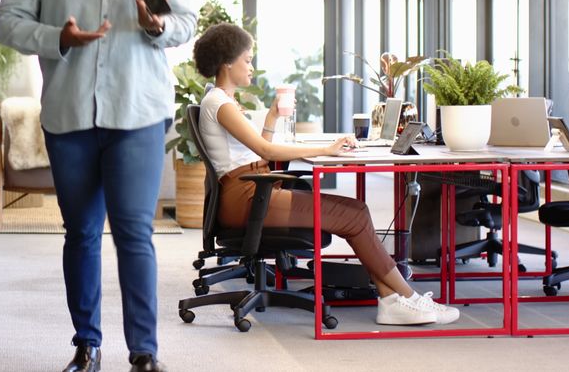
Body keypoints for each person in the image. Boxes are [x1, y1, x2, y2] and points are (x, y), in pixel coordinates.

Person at [0, 0, 196, 372]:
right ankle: (87, 345)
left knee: (134, 234)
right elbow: (6, 24)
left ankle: (144, 352)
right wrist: (56, 37)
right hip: (70, 118)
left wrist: (158, 28)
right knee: (81, 233)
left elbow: (187, 22)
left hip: (138, 116)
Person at [192, 23, 461, 326]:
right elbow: (266, 152)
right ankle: (405, 297)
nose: (252, 67)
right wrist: (329, 148)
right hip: (246, 198)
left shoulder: (222, 101)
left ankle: (392, 300)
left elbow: (258, 150)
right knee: (354, 216)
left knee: (356, 211)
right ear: (228, 62)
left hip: (251, 190)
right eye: (247, 59)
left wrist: (271, 117)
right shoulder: (220, 103)